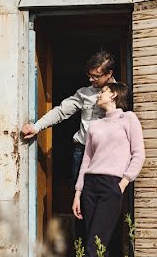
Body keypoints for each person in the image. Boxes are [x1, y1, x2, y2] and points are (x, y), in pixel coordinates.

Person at [72, 81, 145, 257]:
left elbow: (138, 154)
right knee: (94, 238)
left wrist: (123, 183)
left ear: (113, 95)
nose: (98, 94)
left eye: (102, 91)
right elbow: (86, 160)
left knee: (97, 239)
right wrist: (78, 191)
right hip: (90, 185)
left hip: (111, 185)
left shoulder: (129, 119)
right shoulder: (94, 125)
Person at [21, 51, 116, 184]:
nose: (91, 79)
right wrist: (36, 127)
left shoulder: (121, 93)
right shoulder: (84, 93)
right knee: (78, 196)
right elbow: (61, 111)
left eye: (96, 76)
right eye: (89, 75)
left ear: (109, 74)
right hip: (83, 151)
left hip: (108, 153)